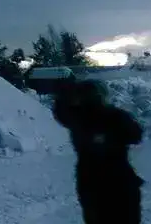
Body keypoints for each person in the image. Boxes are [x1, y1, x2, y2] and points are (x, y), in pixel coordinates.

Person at [52, 80, 144, 224]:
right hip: (117, 180)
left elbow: (60, 111)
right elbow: (136, 135)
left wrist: (63, 94)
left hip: (91, 181)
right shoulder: (114, 116)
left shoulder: (77, 118)